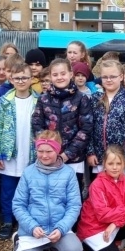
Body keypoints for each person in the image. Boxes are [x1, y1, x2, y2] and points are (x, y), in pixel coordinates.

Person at [12, 130, 83, 251]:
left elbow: (74, 205)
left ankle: (54, 248)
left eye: (49, 151)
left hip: (58, 230)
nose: (44, 155)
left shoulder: (69, 173)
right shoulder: (28, 172)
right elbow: (18, 204)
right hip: (33, 231)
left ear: (58, 150)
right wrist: (31, 226)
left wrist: (61, 228)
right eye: (40, 151)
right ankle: (19, 242)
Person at [0, 62, 39, 239]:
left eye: (24, 77)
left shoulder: (38, 100)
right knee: (7, 190)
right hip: (9, 153)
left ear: (31, 79)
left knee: (29, 190)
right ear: (11, 79)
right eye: (17, 78)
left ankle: (26, 221)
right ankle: (7, 220)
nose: (21, 81)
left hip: (31, 153)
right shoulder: (5, 101)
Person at [31, 58, 93, 193]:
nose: (59, 77)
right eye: (55, 74)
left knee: (72, 195)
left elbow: (86, 129)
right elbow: (36, 124)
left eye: (63, 73)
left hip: (73, 158)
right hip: (48, 157)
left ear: (71, 74)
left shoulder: (82, 99)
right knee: (50, 193)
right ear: (50, 76)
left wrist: (67, 154)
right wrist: (49, 150)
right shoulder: (43, 99)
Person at [87, 60, 125, 177]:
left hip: (120, 159)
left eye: (112, 76)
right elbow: (88, 126)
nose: (108, 80)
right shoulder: (95, 98)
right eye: (105, 77)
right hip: (99, 158)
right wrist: (90, 152)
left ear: (121, 77)